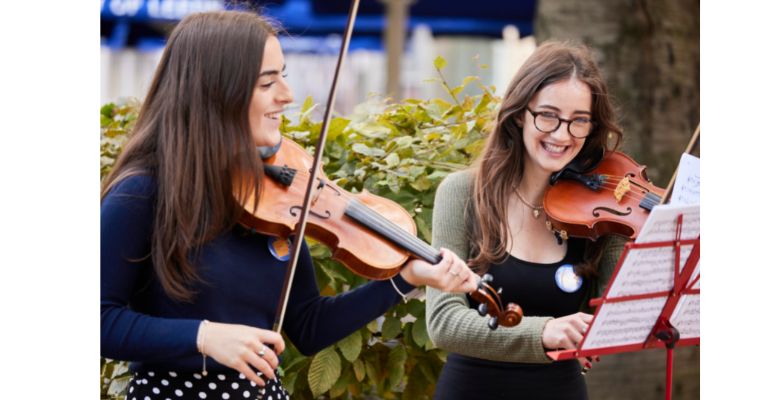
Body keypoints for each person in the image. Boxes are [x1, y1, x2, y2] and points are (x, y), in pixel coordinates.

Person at [101, 10, 477, 400]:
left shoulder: (277, 197)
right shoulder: (143, 191)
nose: (287, 95)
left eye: (284, 75)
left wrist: (406, 278)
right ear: (217, 91)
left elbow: (309, 326)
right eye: (268, 82)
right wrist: (203, 336)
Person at [425, 41, 628, 400]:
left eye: (579, 120)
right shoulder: (462, 194)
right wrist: (541, 333)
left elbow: (617, 316)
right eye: (548, 115)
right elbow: (444, 322)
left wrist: (638, 230)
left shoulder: (599, 212)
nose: (562, 135)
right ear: (520, 113)